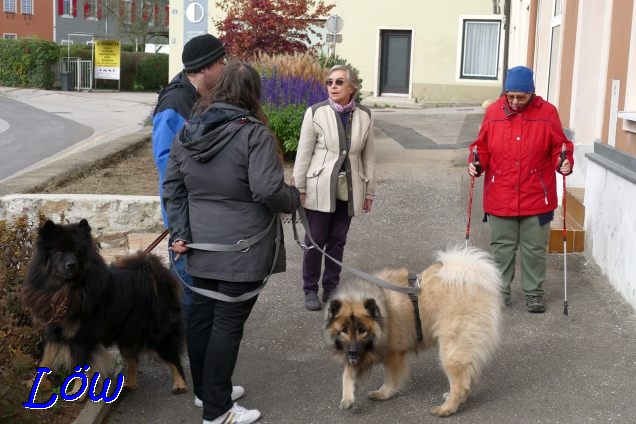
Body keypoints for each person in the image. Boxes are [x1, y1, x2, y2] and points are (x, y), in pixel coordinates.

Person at [162, 62, 300, 424]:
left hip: (200, 247)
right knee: (226, 324)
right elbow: (268, 189)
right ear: (253, 94)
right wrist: (294, 198)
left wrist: (180, 233)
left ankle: (208, 393)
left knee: (203, 318)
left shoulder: (189, 131)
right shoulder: (253, 134)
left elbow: (173, 187)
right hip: (243, 249)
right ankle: (218, 411)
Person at [468, 65, 574, 313]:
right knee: (501, 248)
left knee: (534, 249)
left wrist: (564, 161)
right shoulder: (494, 112)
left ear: (531, 93)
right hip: (501, 194)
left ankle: (534, 293)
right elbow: (481, 147)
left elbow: (560, 146)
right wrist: (476, 163)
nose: (515, 101)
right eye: (510, 96)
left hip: (537, 196)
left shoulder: (547, 113)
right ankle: (500, 292)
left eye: (521, 97)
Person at [152, 33, 227, 322]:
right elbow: (166, 164)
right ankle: (177, 347)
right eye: (222, 62)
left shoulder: (199, 97)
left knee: (197, 291)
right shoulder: (175, 103)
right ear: (205, 67)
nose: (225, 67)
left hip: (201, 211)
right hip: (185, 215)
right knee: (186, 291)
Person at [292, 64, 376, 311]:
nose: (333, 86)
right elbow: (303, 154)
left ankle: (331, 288)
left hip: (350, 189)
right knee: (315, 240)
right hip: (319, 188)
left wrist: (369, 191)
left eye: (339, 82)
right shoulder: (315, 113)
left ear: (353, 87)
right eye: (329, 82)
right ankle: (310, 289)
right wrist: (299, 187)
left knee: (338, 240)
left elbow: (369, 157)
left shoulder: (365, 115)